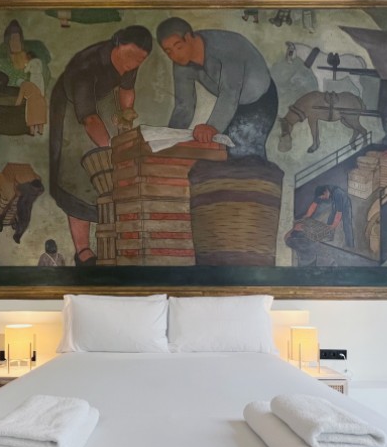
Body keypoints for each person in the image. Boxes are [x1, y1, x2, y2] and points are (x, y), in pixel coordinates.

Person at [49, 25, 153, 266]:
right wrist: (111, 149)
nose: (133, 63)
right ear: (117, 44)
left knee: (108, 174)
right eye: (130, 56)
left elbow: (126, 90)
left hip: (100, 104)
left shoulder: (131, 61)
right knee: (76, 175)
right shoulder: (85, 68)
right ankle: (83, 251)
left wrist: (126, 116)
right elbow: (89, 119)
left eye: (140, 60)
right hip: (70, 108)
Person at [156, 17, 277, 160]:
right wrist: (170, 138)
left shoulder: (226, 47)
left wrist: (212, 126)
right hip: (230, 106)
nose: (175, 56)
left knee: (246, 153)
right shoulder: (181, 62)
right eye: (169, 52)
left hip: (259, 100)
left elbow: (230, 91)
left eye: (178, 47)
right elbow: (184, 105)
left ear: (188, 38)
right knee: (222, 153)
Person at [0, 19, 52, 88]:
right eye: (12, 40)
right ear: (8, 43)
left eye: (17, 39)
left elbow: (43, 77)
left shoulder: (32, 62)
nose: (15, 43)